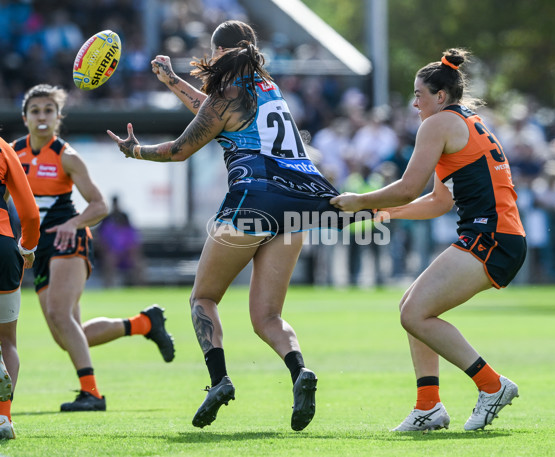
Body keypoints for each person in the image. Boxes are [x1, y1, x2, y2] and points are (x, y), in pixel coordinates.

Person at [107, 20, 369, 431]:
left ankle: (219, 381)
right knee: (268, 316)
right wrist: (173, 80)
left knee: (203, 298)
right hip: (298, 201)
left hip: (255, 199)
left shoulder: (225, 97)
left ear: (218, 53)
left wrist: (135, 151)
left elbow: (180, 149)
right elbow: (213, 115)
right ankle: (300, 372)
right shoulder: (268, 88)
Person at [331, 48, 527, 432]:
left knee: (413, 313)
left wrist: (359, 201)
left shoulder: (436, 125)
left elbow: (407, 188)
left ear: (440, 95)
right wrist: (382, 213)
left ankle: (492, 385)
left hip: (491, 236)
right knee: (414, 309)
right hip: (497, 235)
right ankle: (428, 406)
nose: (414, 102)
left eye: (419, 94)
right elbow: (439, 201)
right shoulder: (463, 121)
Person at [13, 84, 175, 412]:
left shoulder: (67, 156)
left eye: (48, 110)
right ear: (25, 117)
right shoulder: (12, 155)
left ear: (58, 117)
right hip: (37, 248)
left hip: (69, 240)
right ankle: (144, 323)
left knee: (60, 315)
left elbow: (99, 206)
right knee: (67, 336)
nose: (42, 116)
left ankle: (92, 394)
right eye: (35, 111)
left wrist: (73, 224)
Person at [0, 135, 40, 439]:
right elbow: (29, 213)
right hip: (3, 248)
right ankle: (3, 417)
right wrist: (26, 248)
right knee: (8, 342)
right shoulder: (4, 148)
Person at [95, 195, 145, 287]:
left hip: (127, 254)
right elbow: (101, 241)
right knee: (109, 260)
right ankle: (109, 287)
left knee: (138, 263)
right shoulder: (107, 222)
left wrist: (128, 253)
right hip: (112, 254)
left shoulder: (127, 224)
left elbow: (134, 243)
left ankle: (140, 289)